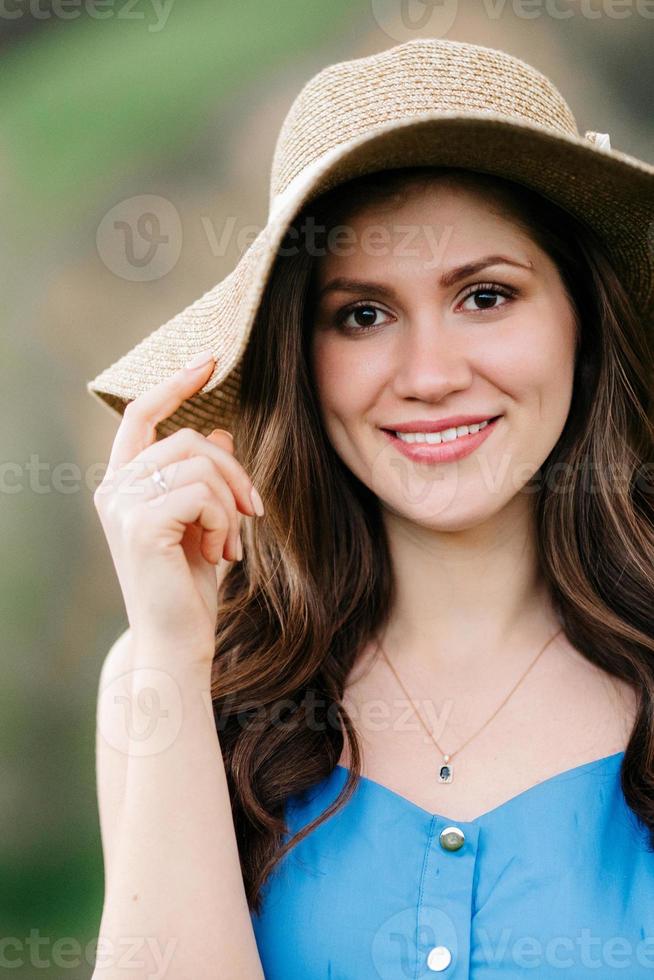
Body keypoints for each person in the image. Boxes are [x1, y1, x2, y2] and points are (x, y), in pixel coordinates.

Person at [87, 38, 654, 979]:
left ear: (582, 324)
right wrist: (173, 655)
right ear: (299, 360)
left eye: (485, 295)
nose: (431, 376)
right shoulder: (177, 677)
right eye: (363, 314)